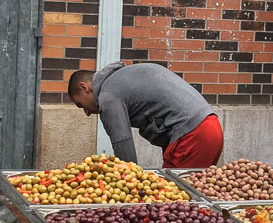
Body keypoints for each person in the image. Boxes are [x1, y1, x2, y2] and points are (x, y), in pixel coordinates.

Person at [68, 62, 223, 169]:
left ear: (84, 88)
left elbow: (124, 151)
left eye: (80, 105)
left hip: (194, 137)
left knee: (172, 203)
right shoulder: (122, 77)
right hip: (210, 126)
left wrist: (130, 192)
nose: (87, 113)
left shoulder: (107, 97)